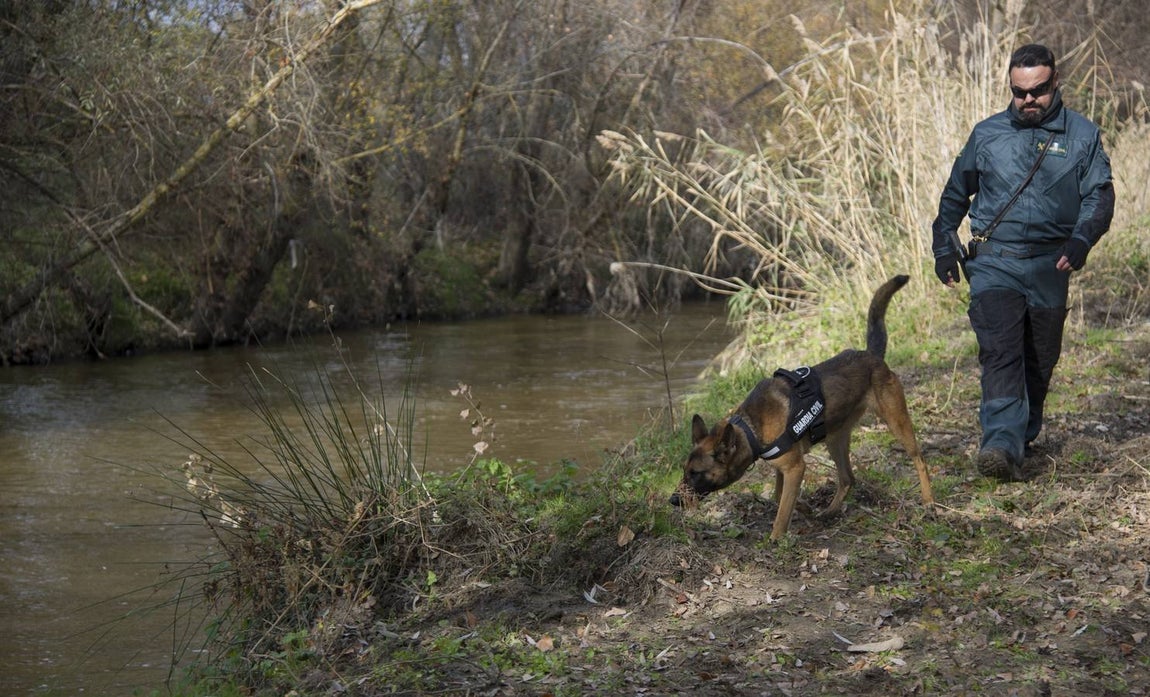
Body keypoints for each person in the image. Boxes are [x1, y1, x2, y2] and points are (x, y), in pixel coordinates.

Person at [931, 43, 1115, 481]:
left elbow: (1100, 195)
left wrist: (1081, 240)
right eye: (1019, 92)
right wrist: (943, 246)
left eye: (1038, 90)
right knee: (1001, 351)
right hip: (996, 262)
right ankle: (1000, 442)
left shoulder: (1083, 136)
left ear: (1055, 83)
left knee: (1039, 359)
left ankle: (1020, 436)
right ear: (1011, 88)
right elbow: (955, 194)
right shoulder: (988, 134)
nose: (1028, 99)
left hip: (1052, 265)